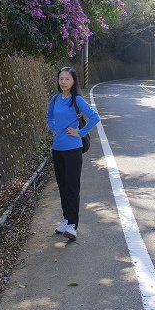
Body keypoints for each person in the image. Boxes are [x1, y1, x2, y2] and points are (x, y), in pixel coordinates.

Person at [46, 66, 100, 241]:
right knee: (62, 186)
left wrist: (80, 132)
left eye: (67, 79)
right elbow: (49, 117)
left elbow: (94, 117)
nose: (63, 82)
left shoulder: (77, 100)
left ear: (73, 81)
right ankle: (65, 220)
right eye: (61, 78)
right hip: (57, 149)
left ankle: (73, 226)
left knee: (72, 186)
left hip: (73, 149)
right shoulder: (55, 99)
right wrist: (55, 128)